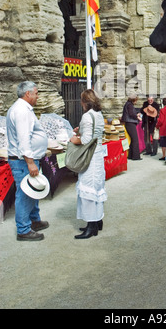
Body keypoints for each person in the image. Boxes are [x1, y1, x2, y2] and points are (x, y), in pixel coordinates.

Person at [6, 81, 49, 241]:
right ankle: (23, 230)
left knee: (32, 192)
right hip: (23, 161)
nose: (38, 96)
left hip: (26, 160)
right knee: (25, 194)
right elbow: (23, 139)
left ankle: (34, 220)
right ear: (28, 94)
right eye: (36, 93)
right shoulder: (22, 111)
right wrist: (30, 162)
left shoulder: (22, 109)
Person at [69, 89, 107, 239]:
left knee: (88, 189)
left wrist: (73, 139)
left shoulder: (86, 116)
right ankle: (97, 221)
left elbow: (85, 141)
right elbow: (94, 135)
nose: (80, 103)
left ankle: (91, 227)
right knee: (96, 188)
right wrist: (81, 131)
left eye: (81, 100)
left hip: (89, 157)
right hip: (97, 155)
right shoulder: (98, 114)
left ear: (85, 102)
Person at [121, 93, 142, 160]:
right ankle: (135, 156)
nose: (136, 102)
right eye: (136, 100)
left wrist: (136, 114)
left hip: (129, 123)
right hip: (130, 123)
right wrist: (137, 117)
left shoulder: (128, 104)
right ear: (133, 100)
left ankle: (131, 155)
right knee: (135, 140)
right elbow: (131, 114)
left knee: (133, 140)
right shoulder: (129, 105)